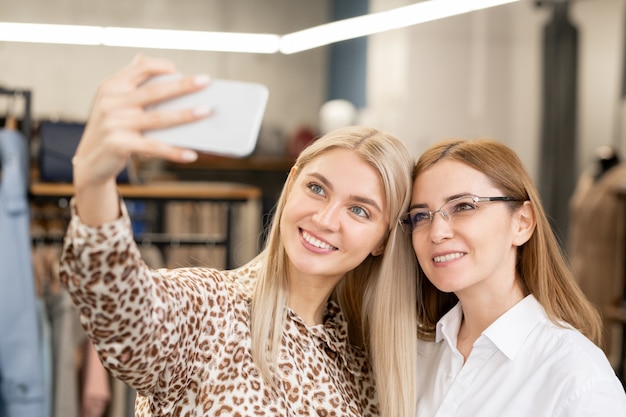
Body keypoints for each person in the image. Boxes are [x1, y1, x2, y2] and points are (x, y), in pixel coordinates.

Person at [58, 56, 417, 416]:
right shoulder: (209, 312)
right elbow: (121, 312)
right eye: (317, 188)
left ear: (383, 240)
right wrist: (94, 181)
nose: (325, 218)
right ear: (290, 185)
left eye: (359, 210)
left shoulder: (366, 366)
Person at [402, 138, 626, 416]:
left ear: (522, 222)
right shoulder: (417, 353)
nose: (437, 233)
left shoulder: (577, 377)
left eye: (463, 206)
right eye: (421, 216)